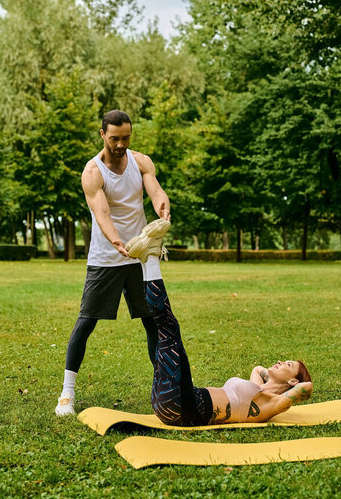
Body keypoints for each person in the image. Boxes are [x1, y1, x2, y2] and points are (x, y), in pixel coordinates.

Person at [55, 109, 170, 416]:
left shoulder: (141, 161)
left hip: (141, 255)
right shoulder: (92, 172)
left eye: (126, 138)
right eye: (115, 138)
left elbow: (155, 190)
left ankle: (165, 387)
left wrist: (162, 204)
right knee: (86, 321)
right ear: (103, 134)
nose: (121, 144)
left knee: (152, 322)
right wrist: (115, 239)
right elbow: (102, 213)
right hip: (106, 256)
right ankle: (67, 394)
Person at [147, 280, 313, 426]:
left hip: (184, 406)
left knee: (169, 329)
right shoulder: (259, 388)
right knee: (158, 330)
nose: (281, 362)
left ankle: (151, 259)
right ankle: (146, 262)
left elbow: (306, 387)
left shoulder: (273, 404)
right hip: (173, 403)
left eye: (288, 364)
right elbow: (257, 369)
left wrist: (285, 384)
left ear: (293, 380)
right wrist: (273, 377)